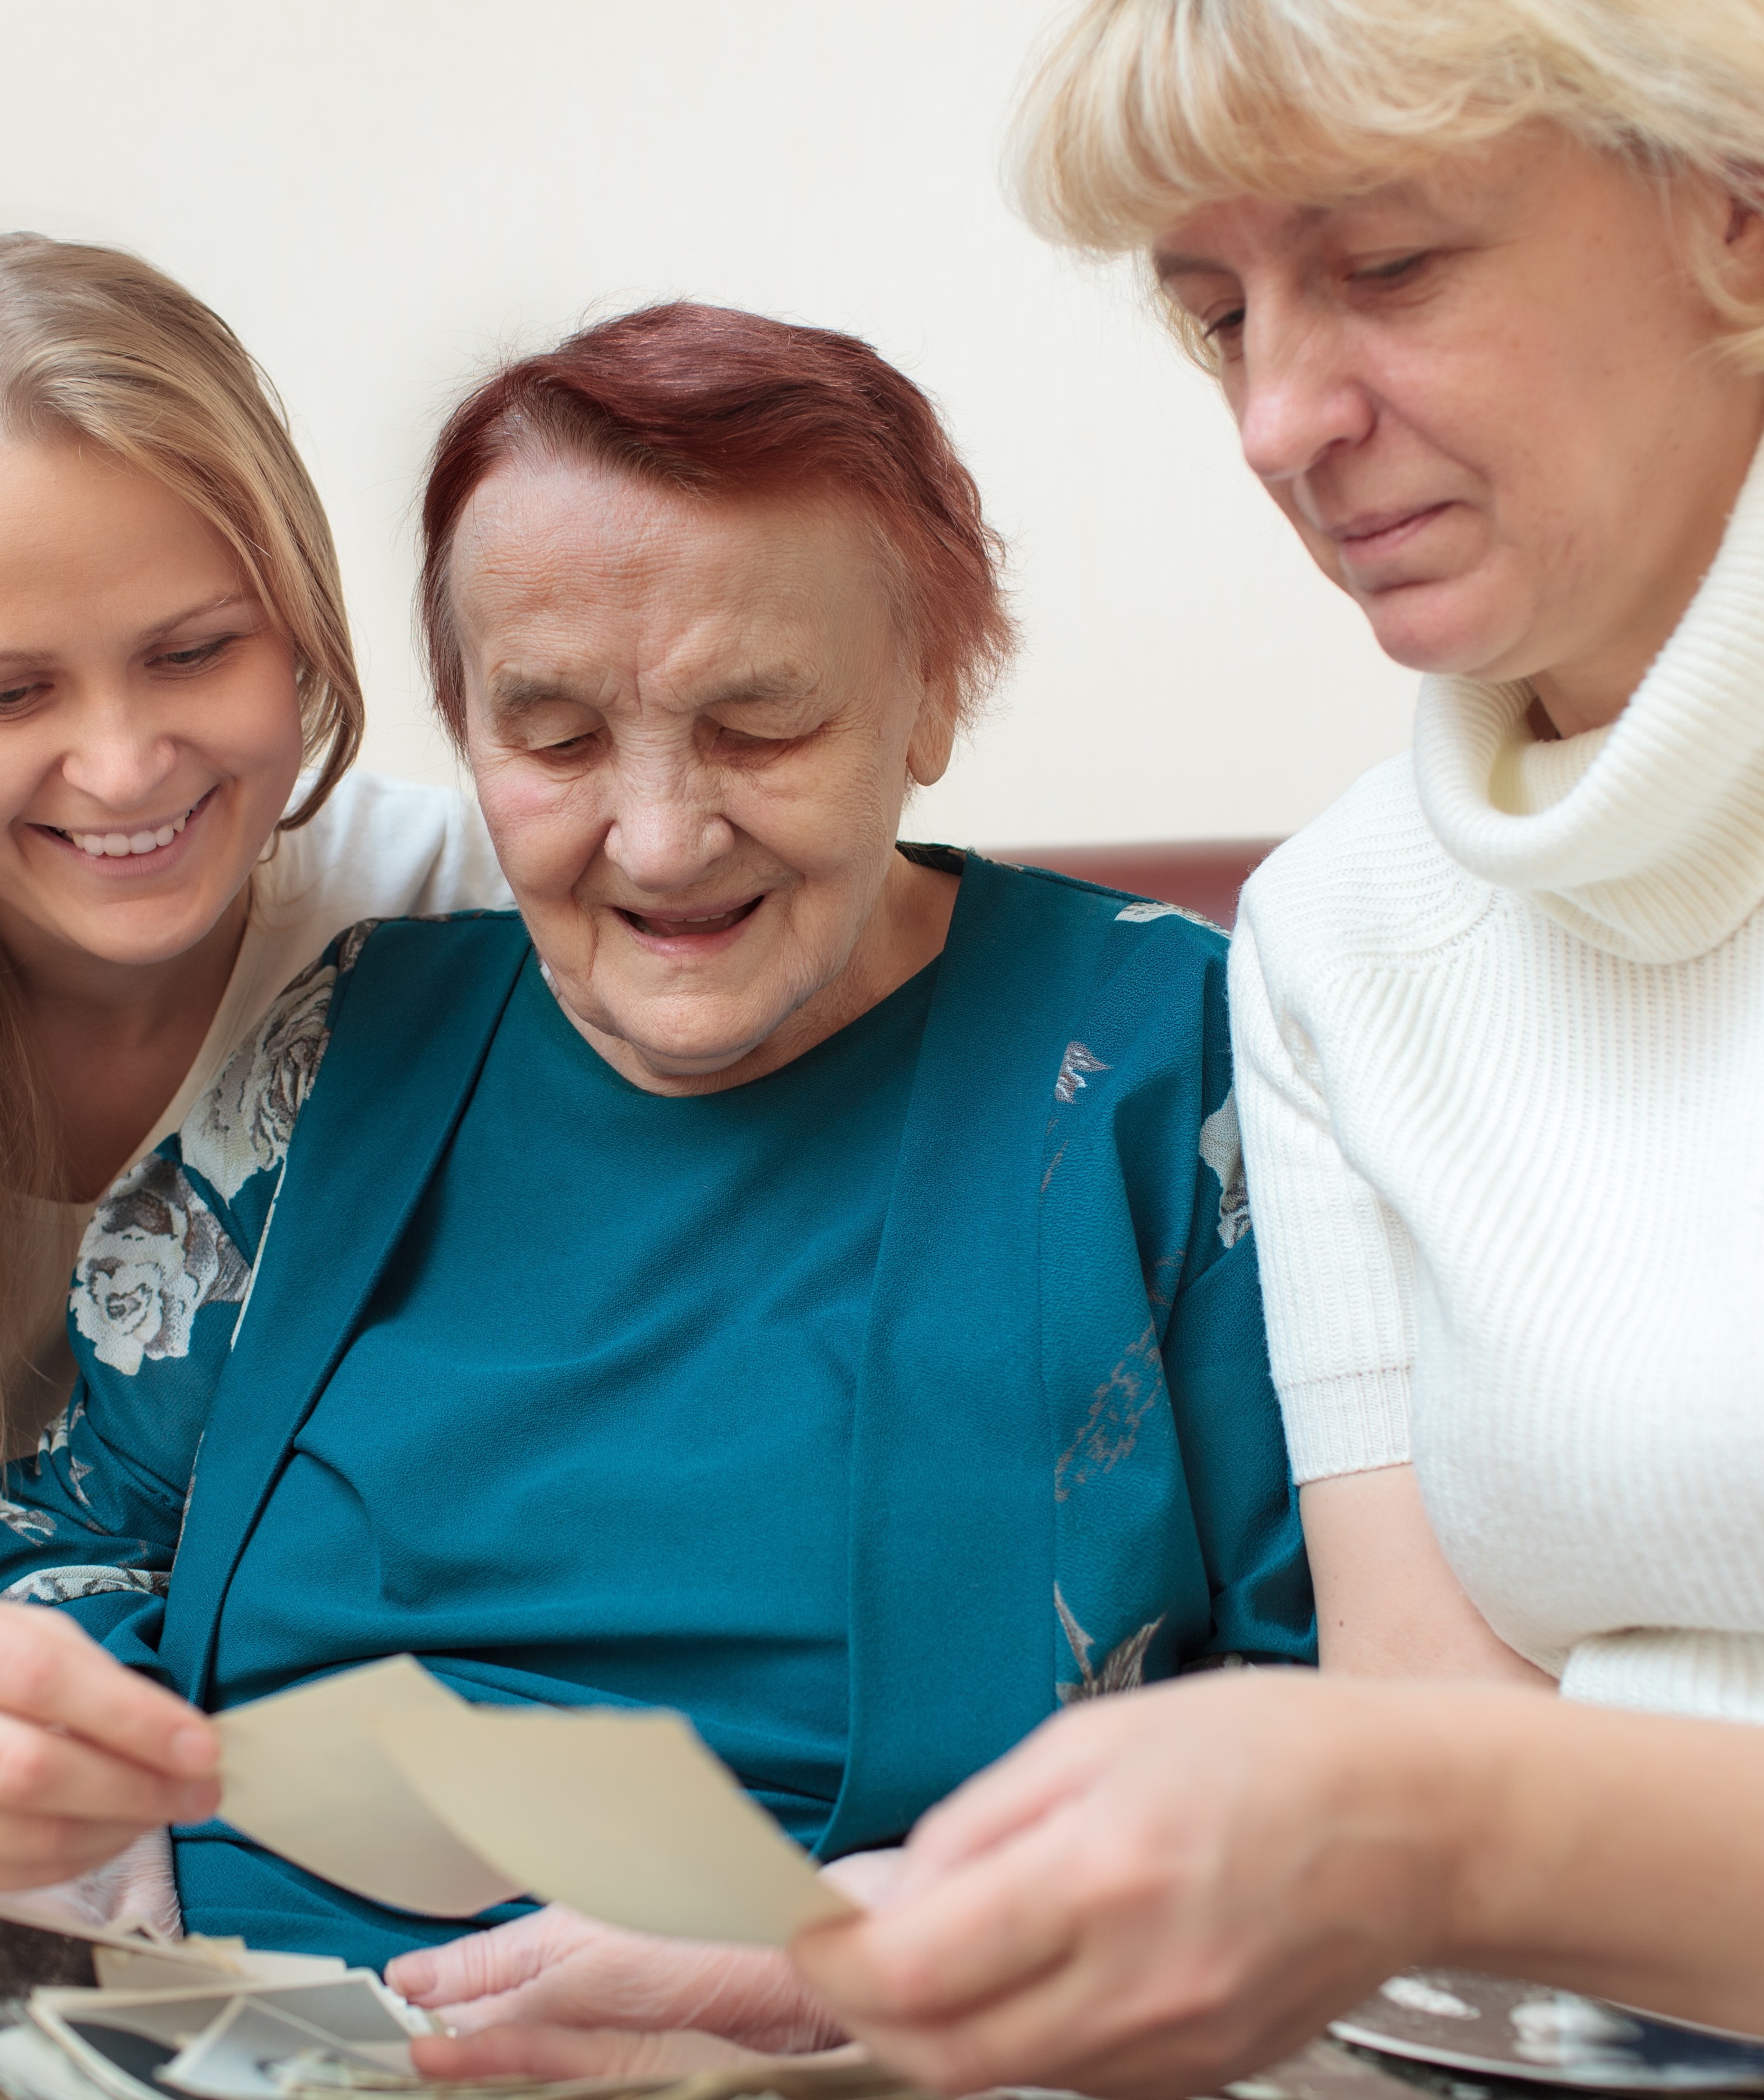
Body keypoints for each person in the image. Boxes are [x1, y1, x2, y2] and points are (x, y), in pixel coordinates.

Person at [0, 301, 1310, 1982]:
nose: (658, 839)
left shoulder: (1166, 1067)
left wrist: (848, 1978)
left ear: (932, 696)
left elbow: (1337, 1723)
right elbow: (68, 1536)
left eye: (760, 725)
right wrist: (101, 1885)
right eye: (558, 737)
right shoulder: (343, 1045)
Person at [736, 2, 1764, 2093]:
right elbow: (1440, 1783)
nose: (1279, 419)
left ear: (1735, 219)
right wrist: (847, 1978)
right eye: (1215, 318)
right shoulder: (1332, 938)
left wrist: (1410, 1826)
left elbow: (1426, 1819)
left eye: (1386, 267)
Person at [0, 233, 506, 2093]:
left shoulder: (463, 919)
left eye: (196, 651)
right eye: (2, 695)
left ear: (299, 607)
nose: (122, 766)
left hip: (299, 1869)